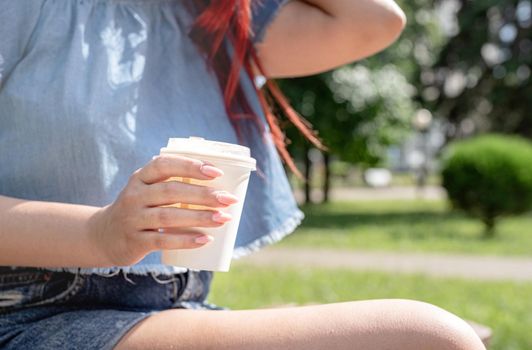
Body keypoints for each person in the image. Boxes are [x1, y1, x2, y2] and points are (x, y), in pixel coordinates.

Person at [0, 1, 486, 349]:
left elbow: (375, 20)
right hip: (30, 315)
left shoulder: (211, 16)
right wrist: (98, 233)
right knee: (428, 339)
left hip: (169, 312)